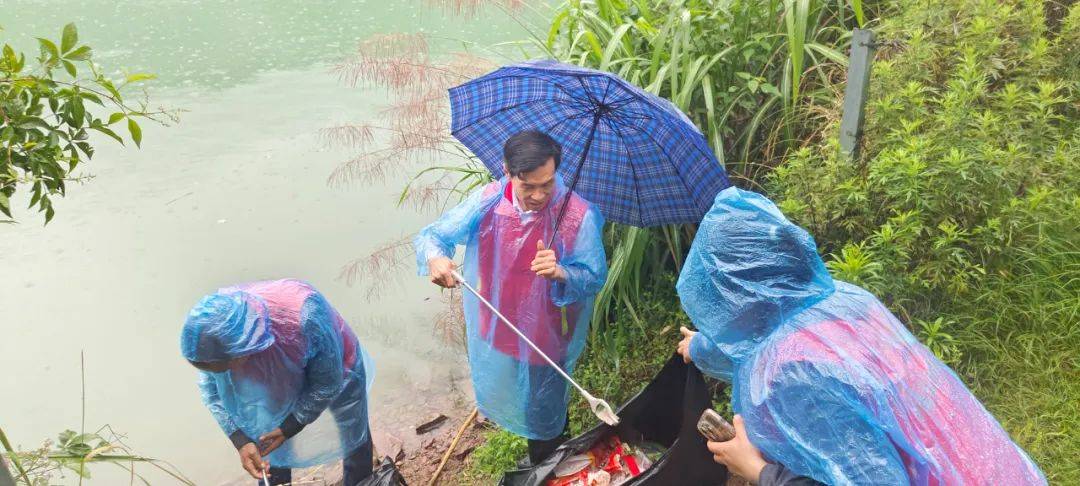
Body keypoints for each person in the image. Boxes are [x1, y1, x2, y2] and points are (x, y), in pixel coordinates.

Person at [674, 188, 1046, 485]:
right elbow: (752, 346)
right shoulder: (842, 301)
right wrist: (699, 346)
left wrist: (758, 470)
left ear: (734, 298)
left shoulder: (790, 377)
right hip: (987, 467)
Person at [414, 130, 607, 465]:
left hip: (547, 333)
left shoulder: (577, 215)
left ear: (556, 170)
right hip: (500, 320)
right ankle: (548, 455)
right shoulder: (489, 200)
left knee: (543, 403)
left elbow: (593, 277)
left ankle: (550, 462)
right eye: (528, 186)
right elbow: (434, 235)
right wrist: (435, 258)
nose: (538, 195)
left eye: (547, 184)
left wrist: (561, 272)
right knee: (519, 392)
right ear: (507, 170)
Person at [181, 279, 375, 486]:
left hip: (339, 365)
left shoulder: (306, 316)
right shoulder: (210, 339)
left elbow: (327, 384)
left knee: (354, 431)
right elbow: (212, 394)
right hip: (272, 375)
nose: (224, 375)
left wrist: (290, 426)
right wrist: (240, 440)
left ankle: (360, 481)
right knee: (269, 442)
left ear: (241, 351)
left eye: (225, 369)